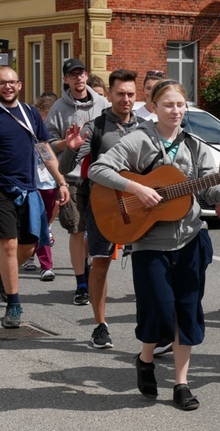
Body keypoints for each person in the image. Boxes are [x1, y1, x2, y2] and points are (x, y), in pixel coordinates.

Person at [88, 79, 220, 410]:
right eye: (168, 105)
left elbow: (207, 191)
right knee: (159, 311)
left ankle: (181, 384)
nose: (175, 111)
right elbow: (98, 169)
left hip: (190, 238)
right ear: (154, 107)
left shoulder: (194, 144)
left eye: (179, 105)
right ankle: (145, 359)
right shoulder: (139, 140)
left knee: (186, 312)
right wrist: (135, 188)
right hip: (150, 242)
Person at [61, 69, 142, 349]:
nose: (126, 99)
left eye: (131, 94)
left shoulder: (145, 127)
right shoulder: (95, 126)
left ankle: (154, 327)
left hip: (139, 205)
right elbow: (64, 168)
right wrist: (71, 149)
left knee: (148, 263)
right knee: (101, 263)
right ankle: (99, 325)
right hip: (102, 204)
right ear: (109, 94)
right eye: (120, 93)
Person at [0, 66, 70, 328]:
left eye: (11, 82)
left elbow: (44, 148)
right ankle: (14, 303)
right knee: (8, 244)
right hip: (2, 190)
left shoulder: (30, 113)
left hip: (28, 189)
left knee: (28, 246)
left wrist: (60, 180)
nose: (7, 87)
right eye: (2, 83)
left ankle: (3, 278)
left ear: (19, 85)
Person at [45, 58, 109, 306]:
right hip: (70, 177)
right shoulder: (58, 109)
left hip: (97, 175)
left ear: (86, 75)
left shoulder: (102, 103)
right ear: (66, 80)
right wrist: (67, 143)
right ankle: (81, 283)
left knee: (97, 229)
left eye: (81, 73)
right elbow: (48, 145)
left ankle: (93, 270)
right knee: (76, 229)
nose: (78, 78)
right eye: (73, 75)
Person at [26, 92, 61, 281]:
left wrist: (61, 180)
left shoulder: (50, 135)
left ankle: (30, 252)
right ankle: (46, 265)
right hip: (31, 182)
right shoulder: (29, 129)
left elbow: (50, 155)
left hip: (50, 181)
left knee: (45, 220)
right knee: (38, 222)